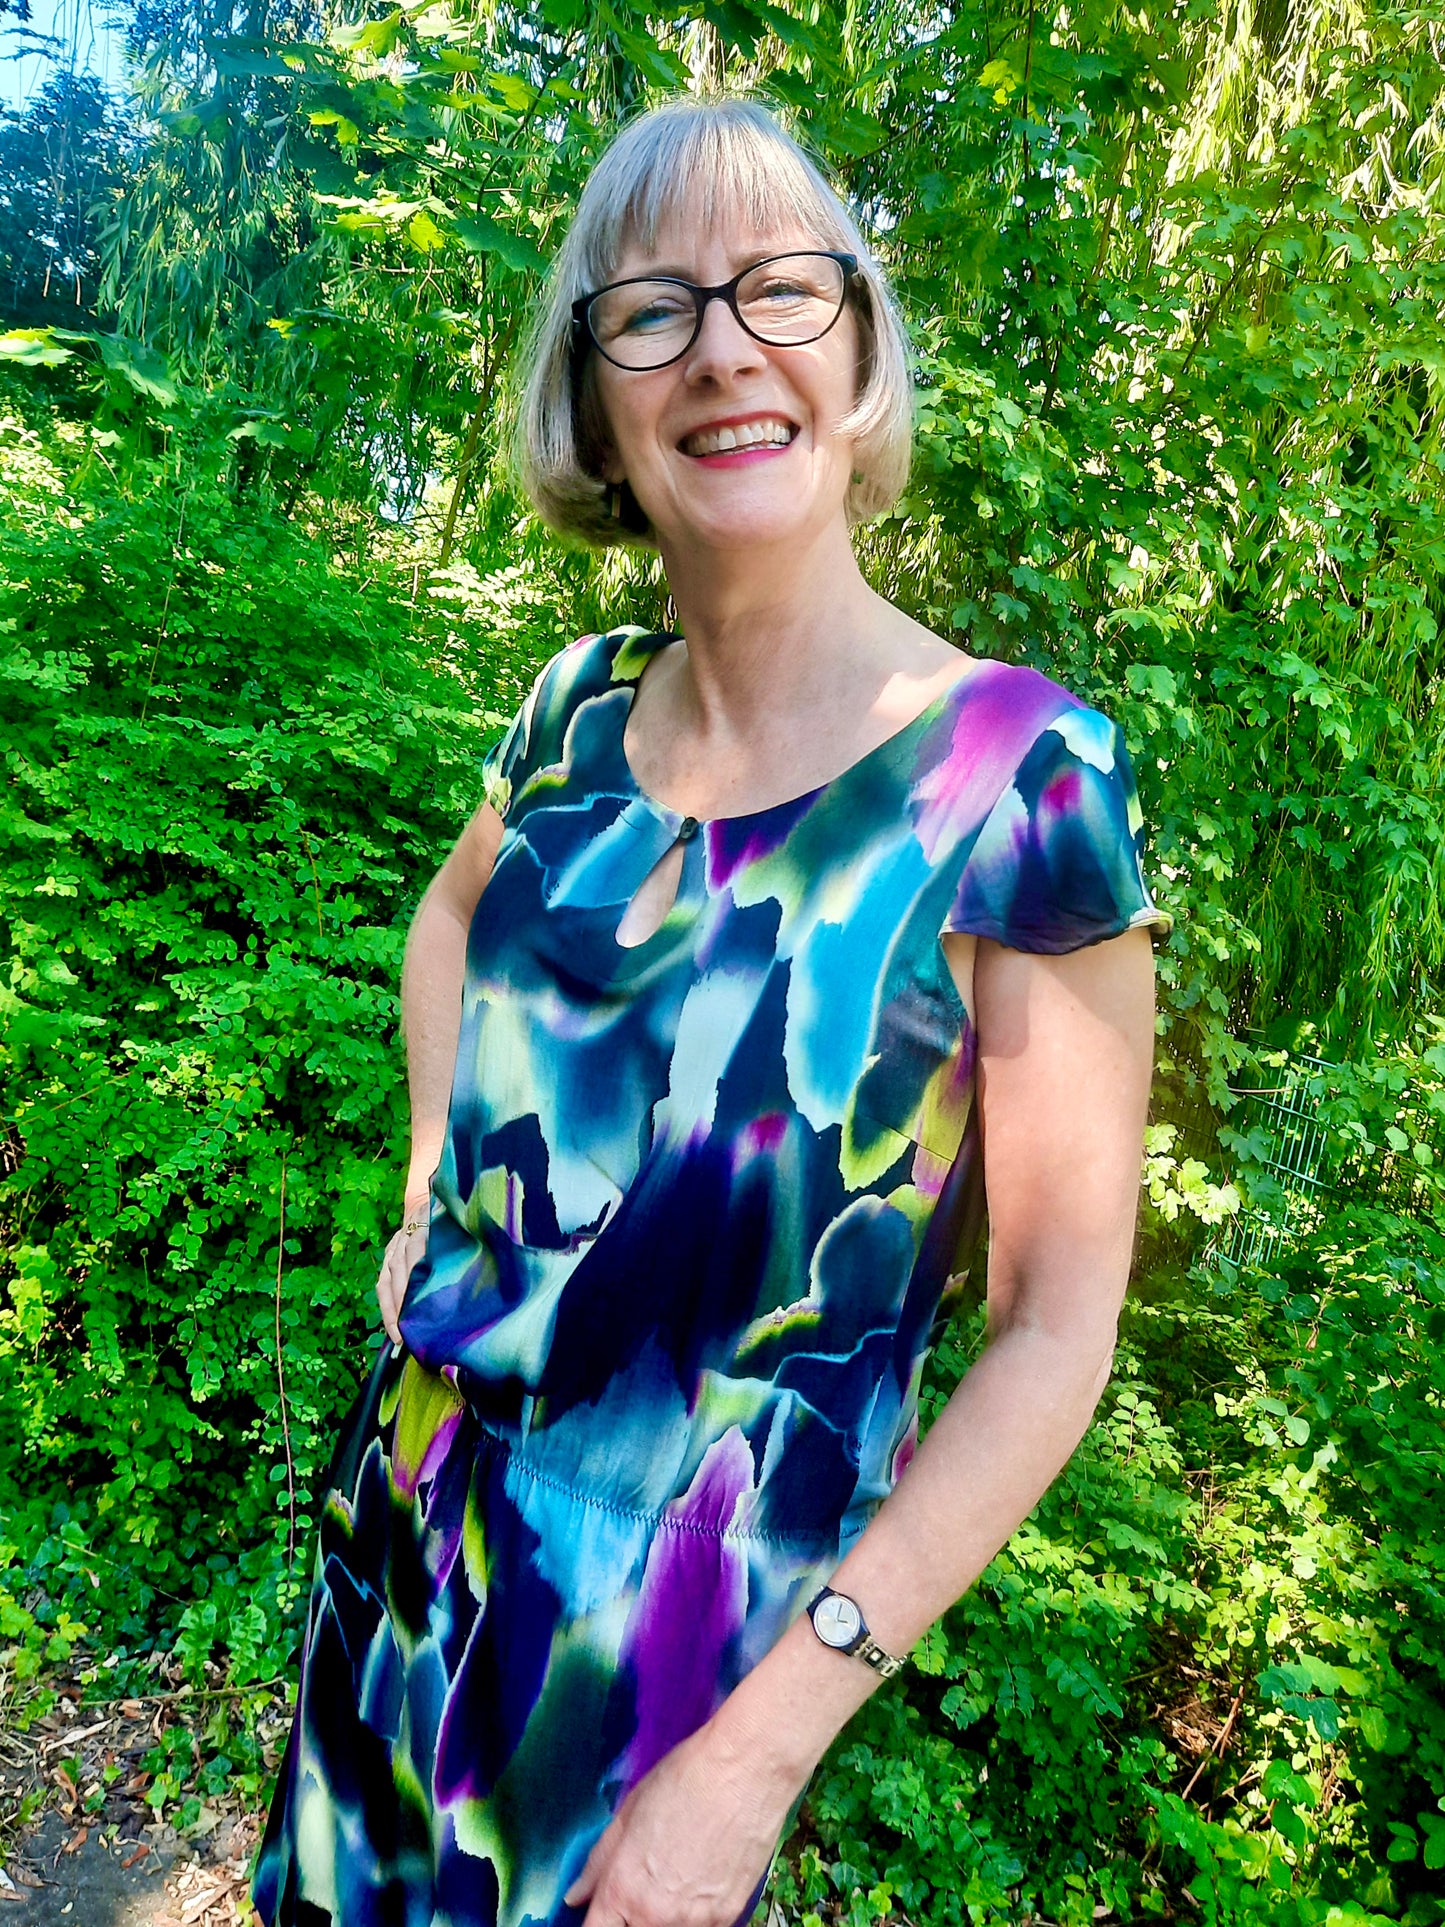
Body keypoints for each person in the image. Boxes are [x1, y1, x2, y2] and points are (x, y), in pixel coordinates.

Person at [252, 92, 1171, 1927]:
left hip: (668, 1681)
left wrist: (757, 1756)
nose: (724, 349)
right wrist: (434, 1156)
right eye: (654, 307)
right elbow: (446, 926)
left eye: (778, 288)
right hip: (400, 1541)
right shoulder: (573, 710)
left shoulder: (1020, 779)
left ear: (857, 344)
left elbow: (1055, 1328)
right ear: (594, 400)